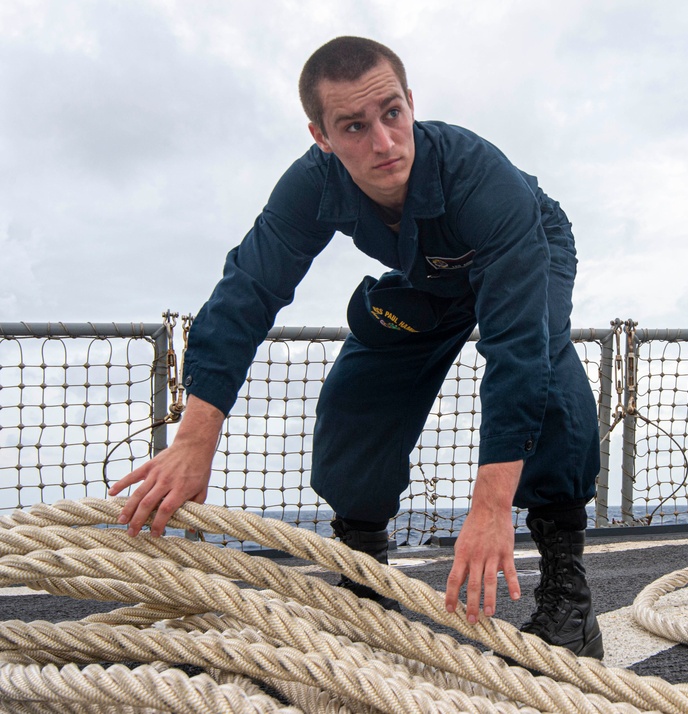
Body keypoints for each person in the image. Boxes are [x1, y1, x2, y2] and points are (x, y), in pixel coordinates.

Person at [110, 36, 603, 659]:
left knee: (547, 365)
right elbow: (248, 291)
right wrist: (194, 439)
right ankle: (363, 583)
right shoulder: (311, 186)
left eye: (392, 114)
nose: (383, 143)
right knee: (359, 388)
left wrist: (489, 505)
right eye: (353, 126)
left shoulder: (484, 180)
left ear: (411, 103)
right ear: (322, 136)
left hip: (529, 249)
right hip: (428, 273)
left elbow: (517, 349)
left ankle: (569, 598)